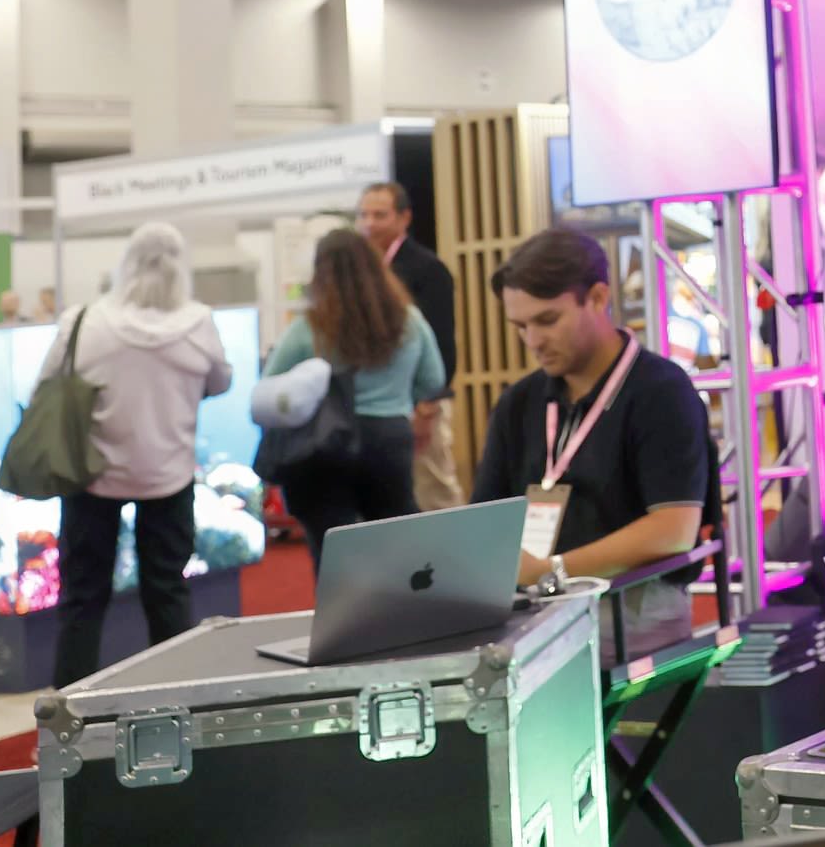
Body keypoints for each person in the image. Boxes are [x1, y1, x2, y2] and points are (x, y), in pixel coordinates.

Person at [471, 228, 715, 655]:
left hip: (631, 603)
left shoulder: (660, 391)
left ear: (598, 298)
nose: (533, 340)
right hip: (533, 608)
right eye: (520, 326)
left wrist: (553, 571)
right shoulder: (520, 402)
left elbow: (674, 530)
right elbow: (485, 519)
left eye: (547, 320)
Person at [45, 223, 233, 686]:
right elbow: (220, 382)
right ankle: (176, 708)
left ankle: (66, 716)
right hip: (168, 476)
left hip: (90, 477)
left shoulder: (83, 320)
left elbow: (45, 387)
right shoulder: (200, 322)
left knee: (82, 601)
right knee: (168, 594)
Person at [262, 229, 447, 570]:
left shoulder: (310, 328)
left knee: (333, 555)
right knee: (399, 549)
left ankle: (343, 620)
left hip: (325, 445)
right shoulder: (409, 321)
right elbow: (433, 379)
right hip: (391, 440)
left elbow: (271, 385)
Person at [356, 181, 465, 510]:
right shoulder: (366, 273)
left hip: (421, 404)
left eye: (380, 214)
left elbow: (443, 344)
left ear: (404, 218)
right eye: (364, 215)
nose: (370, 223)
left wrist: (428, 407)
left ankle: (460, 559)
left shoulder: (427, 269)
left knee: (435, 492)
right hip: (382, 408)